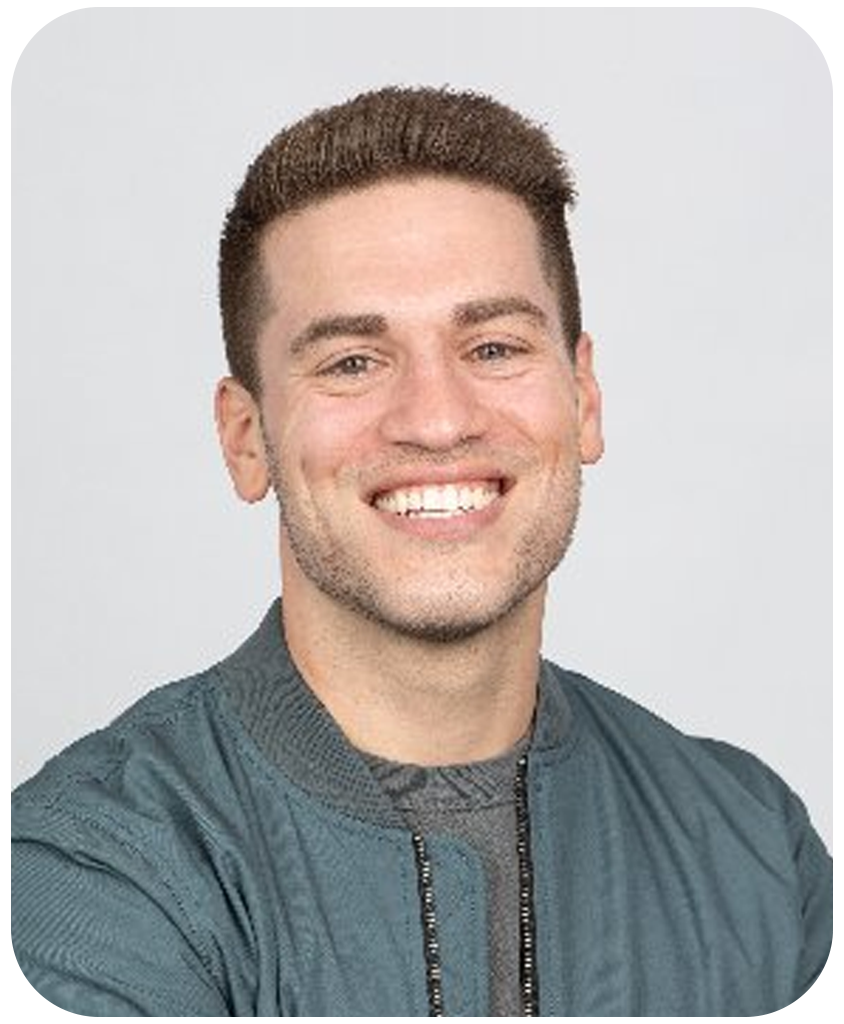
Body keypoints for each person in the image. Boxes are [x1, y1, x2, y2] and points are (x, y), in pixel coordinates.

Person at [12, 86, 831, 1017]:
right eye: (352, 362)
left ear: (584, 399)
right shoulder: (85, 881)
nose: (438, 421)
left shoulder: (756, 854)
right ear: (245, 440)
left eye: (493, 348)